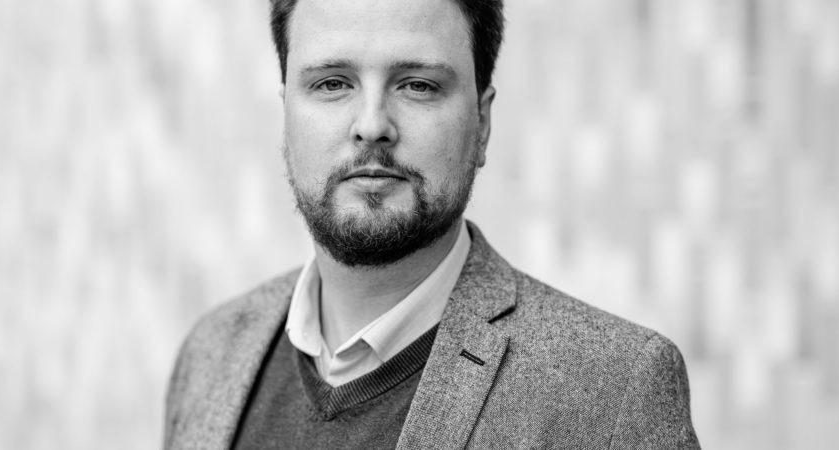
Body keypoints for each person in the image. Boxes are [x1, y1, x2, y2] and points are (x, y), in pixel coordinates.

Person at [164, 0, 701, 448]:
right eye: (331, 83)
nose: (372, 125)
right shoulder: (211, 354)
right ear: (286, 114)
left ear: (482, 123)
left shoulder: (615, 388)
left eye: (417, 85)